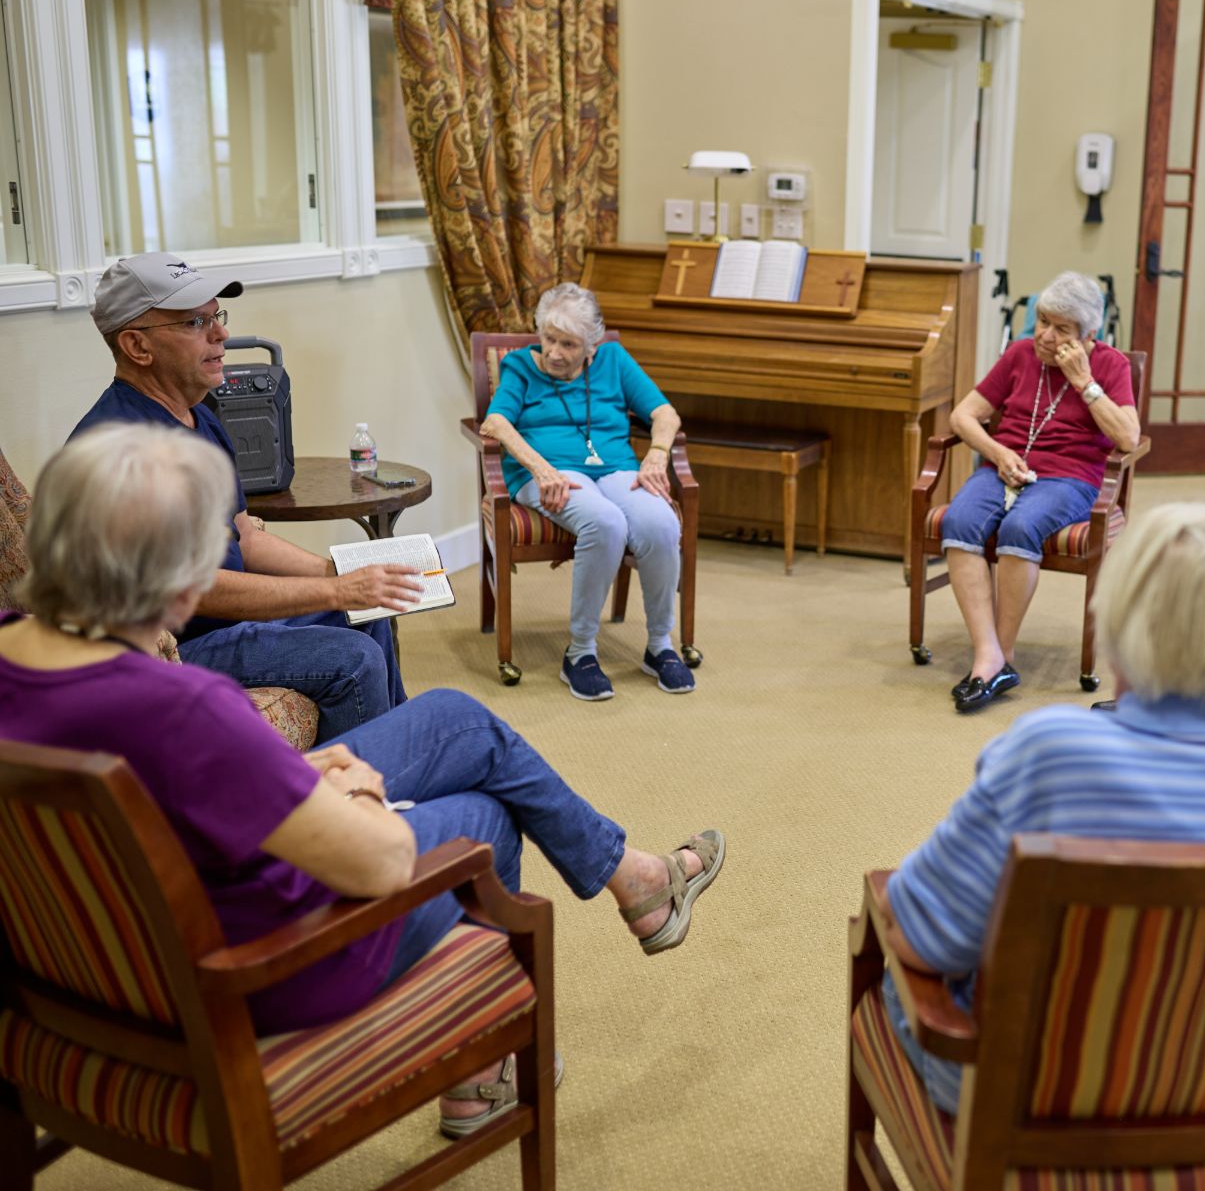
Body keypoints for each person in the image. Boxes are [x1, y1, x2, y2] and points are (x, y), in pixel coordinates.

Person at [0, 423, 728, 1138]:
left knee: (458, 720)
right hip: (266, 970)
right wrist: (353, 791)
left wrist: (285, 777)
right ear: (180, 579)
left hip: (81, 977)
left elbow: (168, 794)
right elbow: (380, 862)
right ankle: (487, 1066)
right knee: (486, 818)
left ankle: (632, 879)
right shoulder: (187, 711)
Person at [874, 504, 1205, 1112]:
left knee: (891, 970)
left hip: (1047, 1111)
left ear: (1124, 625)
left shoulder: (1051, 755)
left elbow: (921, 942)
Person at [69, 251, 417, 743]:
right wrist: (334, 591)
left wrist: (341, 576)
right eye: (195, 322)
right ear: (136, 345)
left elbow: (244, 539)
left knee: (366, 616)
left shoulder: (200, 417)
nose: (220, 335)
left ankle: (394, 763)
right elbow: (192, 590)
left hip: (221, 620)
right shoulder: (116, 447)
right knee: (352, 657)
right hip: (172, 647)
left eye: (216, 317)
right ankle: (350, 808)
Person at [938, 271, 1140, 713]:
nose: (1045, 336)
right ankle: (987, 654)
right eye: (1042, 321)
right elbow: (963, 417)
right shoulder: (1018, 354)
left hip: (1071, 477)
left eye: (1061, 329)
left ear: (1088, 336)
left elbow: (1128, 438)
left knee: (1021, 526)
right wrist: (998, 451)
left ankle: (1000, 656)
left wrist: (1085, 384)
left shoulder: (1111, 365)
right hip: (1004, 467)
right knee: (958, 520)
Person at [480, 283, 692, 701]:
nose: (554, 352)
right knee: (606, 522)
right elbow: (496, 424)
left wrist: (657, 456)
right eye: (548, 339)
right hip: (549, 476)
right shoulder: (523, 366)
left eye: (569, 344)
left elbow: (664, 413)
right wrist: (543, 470)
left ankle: (660, 645)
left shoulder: (613, 359)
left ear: (592, 346)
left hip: (616, 469)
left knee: (661, 522)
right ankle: (580, 652)